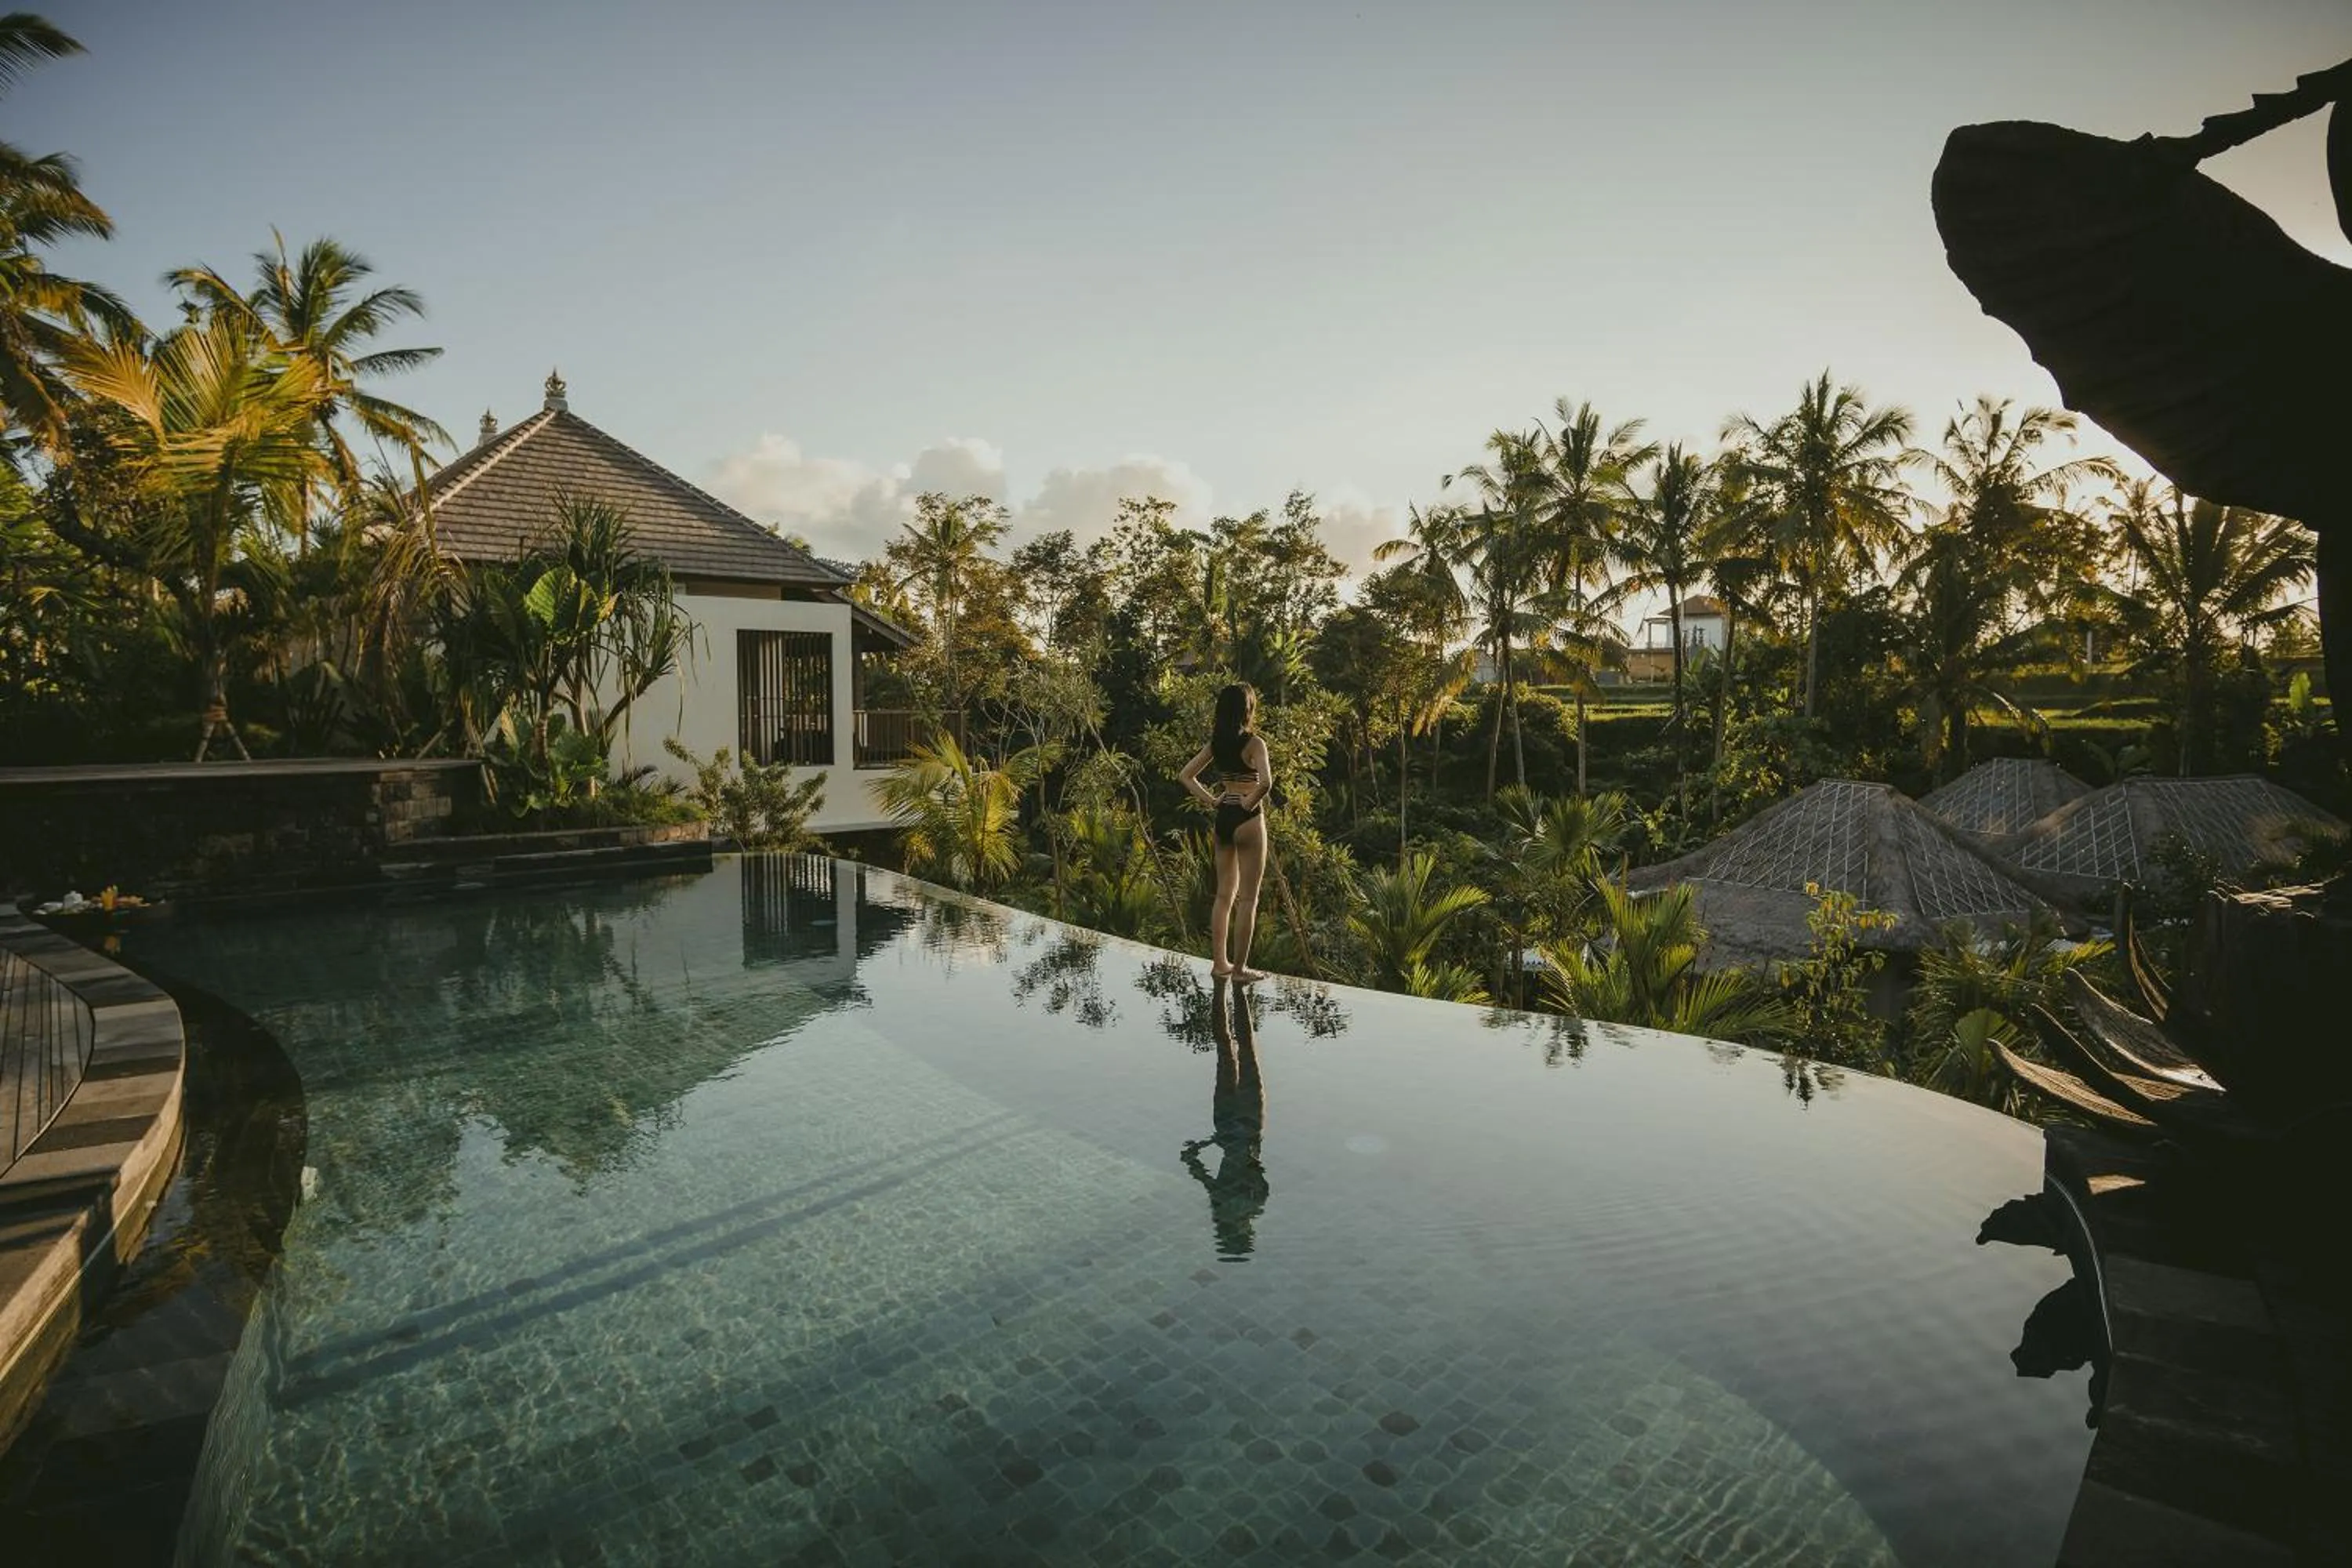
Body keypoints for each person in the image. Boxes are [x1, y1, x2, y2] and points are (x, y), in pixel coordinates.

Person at [1178, 683, 1273, 982]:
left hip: (1223, 818)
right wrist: (1249, 802)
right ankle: (1240, 970)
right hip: (1247, 818)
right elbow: (1266, 783)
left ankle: (1220, 964)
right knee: (1248, 900)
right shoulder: (1255, 743)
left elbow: (1185, 775)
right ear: (1248, 709)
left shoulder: (1217, 743)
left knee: (1223, 896)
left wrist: (1212, 800)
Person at [1180, 980, 1269, 1261]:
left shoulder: (1251, 1204)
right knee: (1227, 1053)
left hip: (1245, 1125)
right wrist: (1194, 1155)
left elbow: (1254, 1170)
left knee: (1244, 1054)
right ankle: (1225, 991)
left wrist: (1196, 1155)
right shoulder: (1226, 1206)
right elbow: (1204, 1176)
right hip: (1227, 1126)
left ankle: (1236, 990)